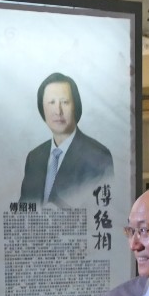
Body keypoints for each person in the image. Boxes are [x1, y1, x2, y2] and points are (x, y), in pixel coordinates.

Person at [18, 71, 115, 207]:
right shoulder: (34, 157)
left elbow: (102, 211)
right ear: (42, 107)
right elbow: (23, 209)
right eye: (51, 102)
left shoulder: (98, 156)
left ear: (76, 106)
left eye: (64, 102)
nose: (58, 111)